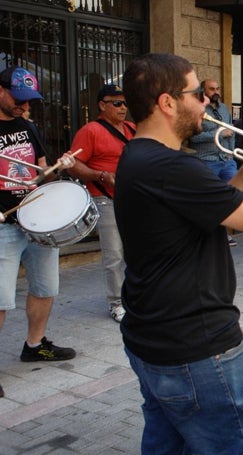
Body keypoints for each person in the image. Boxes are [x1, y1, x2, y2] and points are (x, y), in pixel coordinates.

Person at [114, 53, 243, 453]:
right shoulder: (171, 166)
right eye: (198, 93)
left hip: (154, 336)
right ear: (167, 102)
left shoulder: (139, 156)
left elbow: (222, 209)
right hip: (197, 347)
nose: (207, 103)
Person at [0, 65, 78, 398]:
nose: (24, 106)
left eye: (29, 100)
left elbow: (41, 169)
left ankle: (34, 344)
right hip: (3, 223)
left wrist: (59, 168)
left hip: (36, 219)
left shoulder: (28, 126)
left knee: (45, 287)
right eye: (18, 100)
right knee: (0, 300)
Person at [67, 84, 135, 322]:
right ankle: (116, 302)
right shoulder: (91, 131)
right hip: (106, 199)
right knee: (114, 253)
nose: (122, 107)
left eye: (125, 103)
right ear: (102, 105)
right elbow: (73, 163)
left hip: (132, 199)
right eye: (116, 103)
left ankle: (135, 297)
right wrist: (100, 175)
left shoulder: (131, 129)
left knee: (136, 252)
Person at [187, 78, 238, 246]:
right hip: (207, 160)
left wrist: (231, 152)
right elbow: (193, 137)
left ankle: (225, 233)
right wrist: (217, 134)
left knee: (231, 196)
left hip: (226, 159)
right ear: (203, 91)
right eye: (211, 89)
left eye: (217, 88)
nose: (216, 92)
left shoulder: (223, 108)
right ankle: (208, 233)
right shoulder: (199, 109)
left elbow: (231, 131)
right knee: (209, 199)